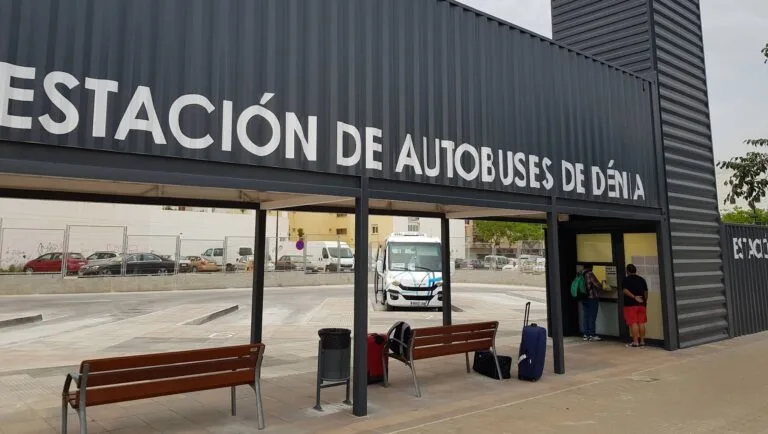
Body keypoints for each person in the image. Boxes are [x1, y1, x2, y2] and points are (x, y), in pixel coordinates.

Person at [623, 264, 649, 348]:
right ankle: (642, 342)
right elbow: (645, 292)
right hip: (642, 304)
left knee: (633, 323)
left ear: (627, 271)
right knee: (641, 323)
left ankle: (635, 342)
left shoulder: (626, 280)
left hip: (630, 305)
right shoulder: (642, 279)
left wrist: (634, 297)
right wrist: (645, 301)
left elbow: (625, 290)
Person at [581, 264, 603, 342]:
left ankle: (585, 334)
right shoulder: (590, 273)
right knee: (592, 316)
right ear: (591, 267)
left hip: (583, 298)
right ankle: (592, 335)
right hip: (592, 297)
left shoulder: (580, 273)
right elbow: (597, 285)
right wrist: (602, 285)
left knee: (586, 316)